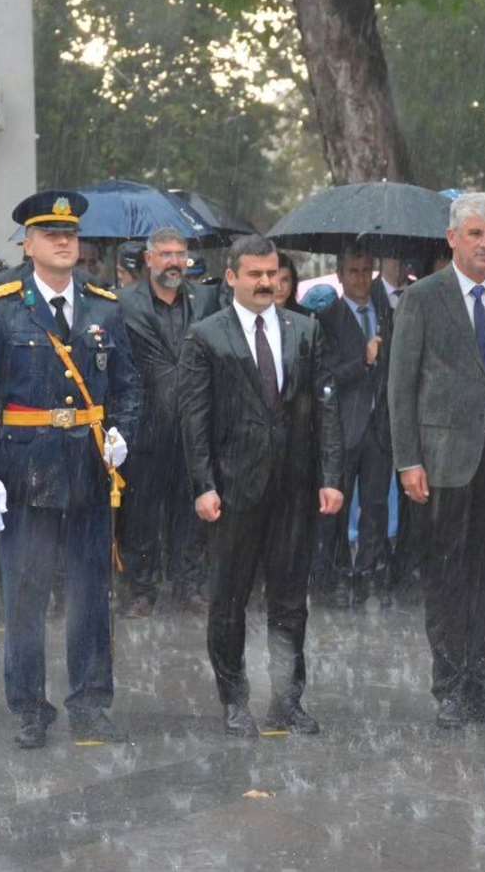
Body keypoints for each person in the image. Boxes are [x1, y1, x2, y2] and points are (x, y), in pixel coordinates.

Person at [0, 190, 141, 749]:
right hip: (25, 468)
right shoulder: (1, 307)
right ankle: (29, 706)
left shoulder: (105, 306)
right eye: (49, 233)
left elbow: (131, 388)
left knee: (92, 591)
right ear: (29, 243)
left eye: (69, 233)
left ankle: (90, 701)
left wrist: (122, 435)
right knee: (26, 592)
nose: (63, 241)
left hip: (88, 469)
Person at [387, 192, 485, 729]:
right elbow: (401, 385)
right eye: (476, 233)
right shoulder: (424, 298)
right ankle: (451, 688)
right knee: (447, 574)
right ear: (452, 239)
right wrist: (408, 459)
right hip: (442, 460)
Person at [178, 234, 344, 737]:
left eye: (272, 274)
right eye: (255, 274)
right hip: (233, 491)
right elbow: (194, 420)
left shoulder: (305, 331)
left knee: (291, 602)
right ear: (231, 277)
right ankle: (234, 700)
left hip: (294, 489)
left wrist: (331, 477)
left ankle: (288, 701)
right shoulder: (207, 337)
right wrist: (204, 485)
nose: (266, 282)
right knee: (229, 600)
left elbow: (325, 411)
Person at [117, 227, 220, 618]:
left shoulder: (206, 300)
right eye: (166, 254)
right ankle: (141, 589)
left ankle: (188, 584)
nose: (175, 261)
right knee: (141, 511)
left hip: (194, 426)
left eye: (180, 254)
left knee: (191, 510)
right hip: (145, 424)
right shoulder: (123, 304)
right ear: (149, 260)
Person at [317, 243, 393, 609]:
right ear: (340, 275)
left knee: (376, 505)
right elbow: (327, 376)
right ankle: (336, 574)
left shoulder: (386, 311)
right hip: (344, 426)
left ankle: (367, 572)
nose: (361, 279)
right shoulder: (326, 318)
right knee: (338, 505)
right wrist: (363, 361)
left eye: (367, 271)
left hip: (380, 426)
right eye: (354, 271)